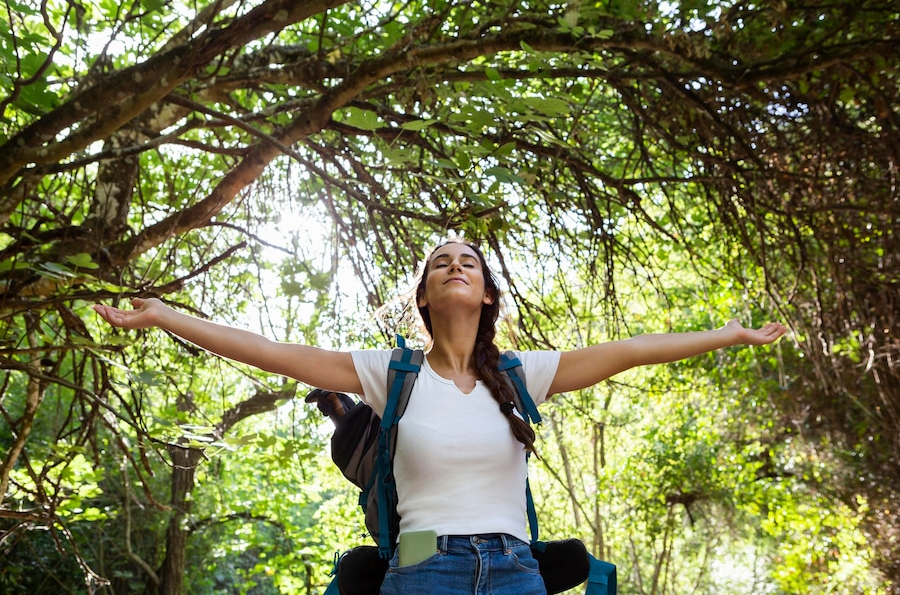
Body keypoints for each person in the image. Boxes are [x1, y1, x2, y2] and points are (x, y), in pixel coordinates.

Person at [93, 238, 787, 595]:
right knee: (417, 558)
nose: (455, 267)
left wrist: (728, 334)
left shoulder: (522, 376)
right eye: (440, 264)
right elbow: (273, 353)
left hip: (515, 564)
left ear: (487, 295)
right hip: (425, 561)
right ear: (425, 296)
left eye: (469, 263)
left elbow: (633, 350)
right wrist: (164, 317)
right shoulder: (386, 373)